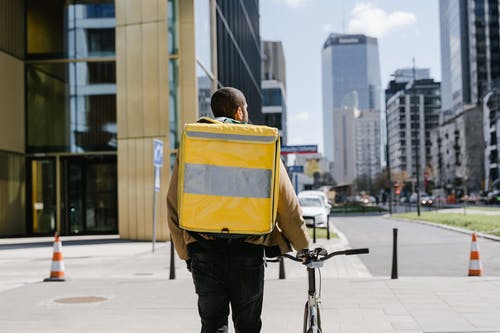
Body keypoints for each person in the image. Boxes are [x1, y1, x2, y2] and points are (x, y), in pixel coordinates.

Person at [167, 87, 310, 333]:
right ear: (239, 111)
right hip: (248, 250)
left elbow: (173, 203)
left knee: (213, 325)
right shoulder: (259, 143)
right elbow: (287, 205)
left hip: (203, 249)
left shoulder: (194, 142)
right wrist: (303, 247)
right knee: (248, 326)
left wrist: (185, 251)